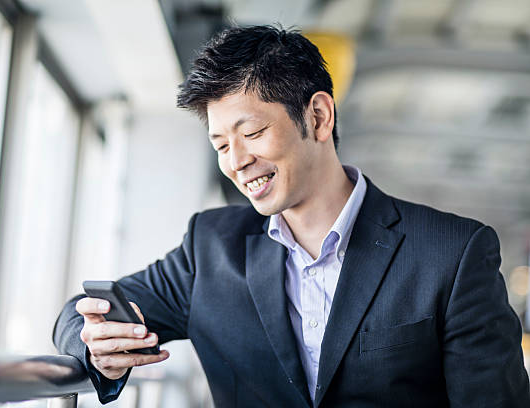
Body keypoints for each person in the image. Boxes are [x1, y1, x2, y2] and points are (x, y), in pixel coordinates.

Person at [53, 25, 530, 407]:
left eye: (253, 132)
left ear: (319, 117)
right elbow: (76, 317)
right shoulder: (210, 248)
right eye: (221, 144)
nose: (236, 160)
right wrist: (97, 345)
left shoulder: (452, 252)